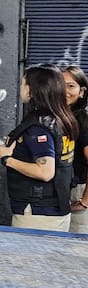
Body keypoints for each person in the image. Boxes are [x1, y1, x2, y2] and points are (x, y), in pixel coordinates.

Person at [0, 63, 78, 232]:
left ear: (32, 90)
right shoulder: (62, 119)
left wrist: (7, 159)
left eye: (23, 83)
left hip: (37, 213)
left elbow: (45, 172)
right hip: (57, 208)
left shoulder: (39, 127)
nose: (21, 88)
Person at [62, 65, 88, 232]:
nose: (64, 91)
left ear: (82, 92)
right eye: (60, 85)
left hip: (78, 191)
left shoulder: (83, 121)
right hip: (60, 191)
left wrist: (85, 200)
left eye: (70, 86)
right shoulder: (60, 119)